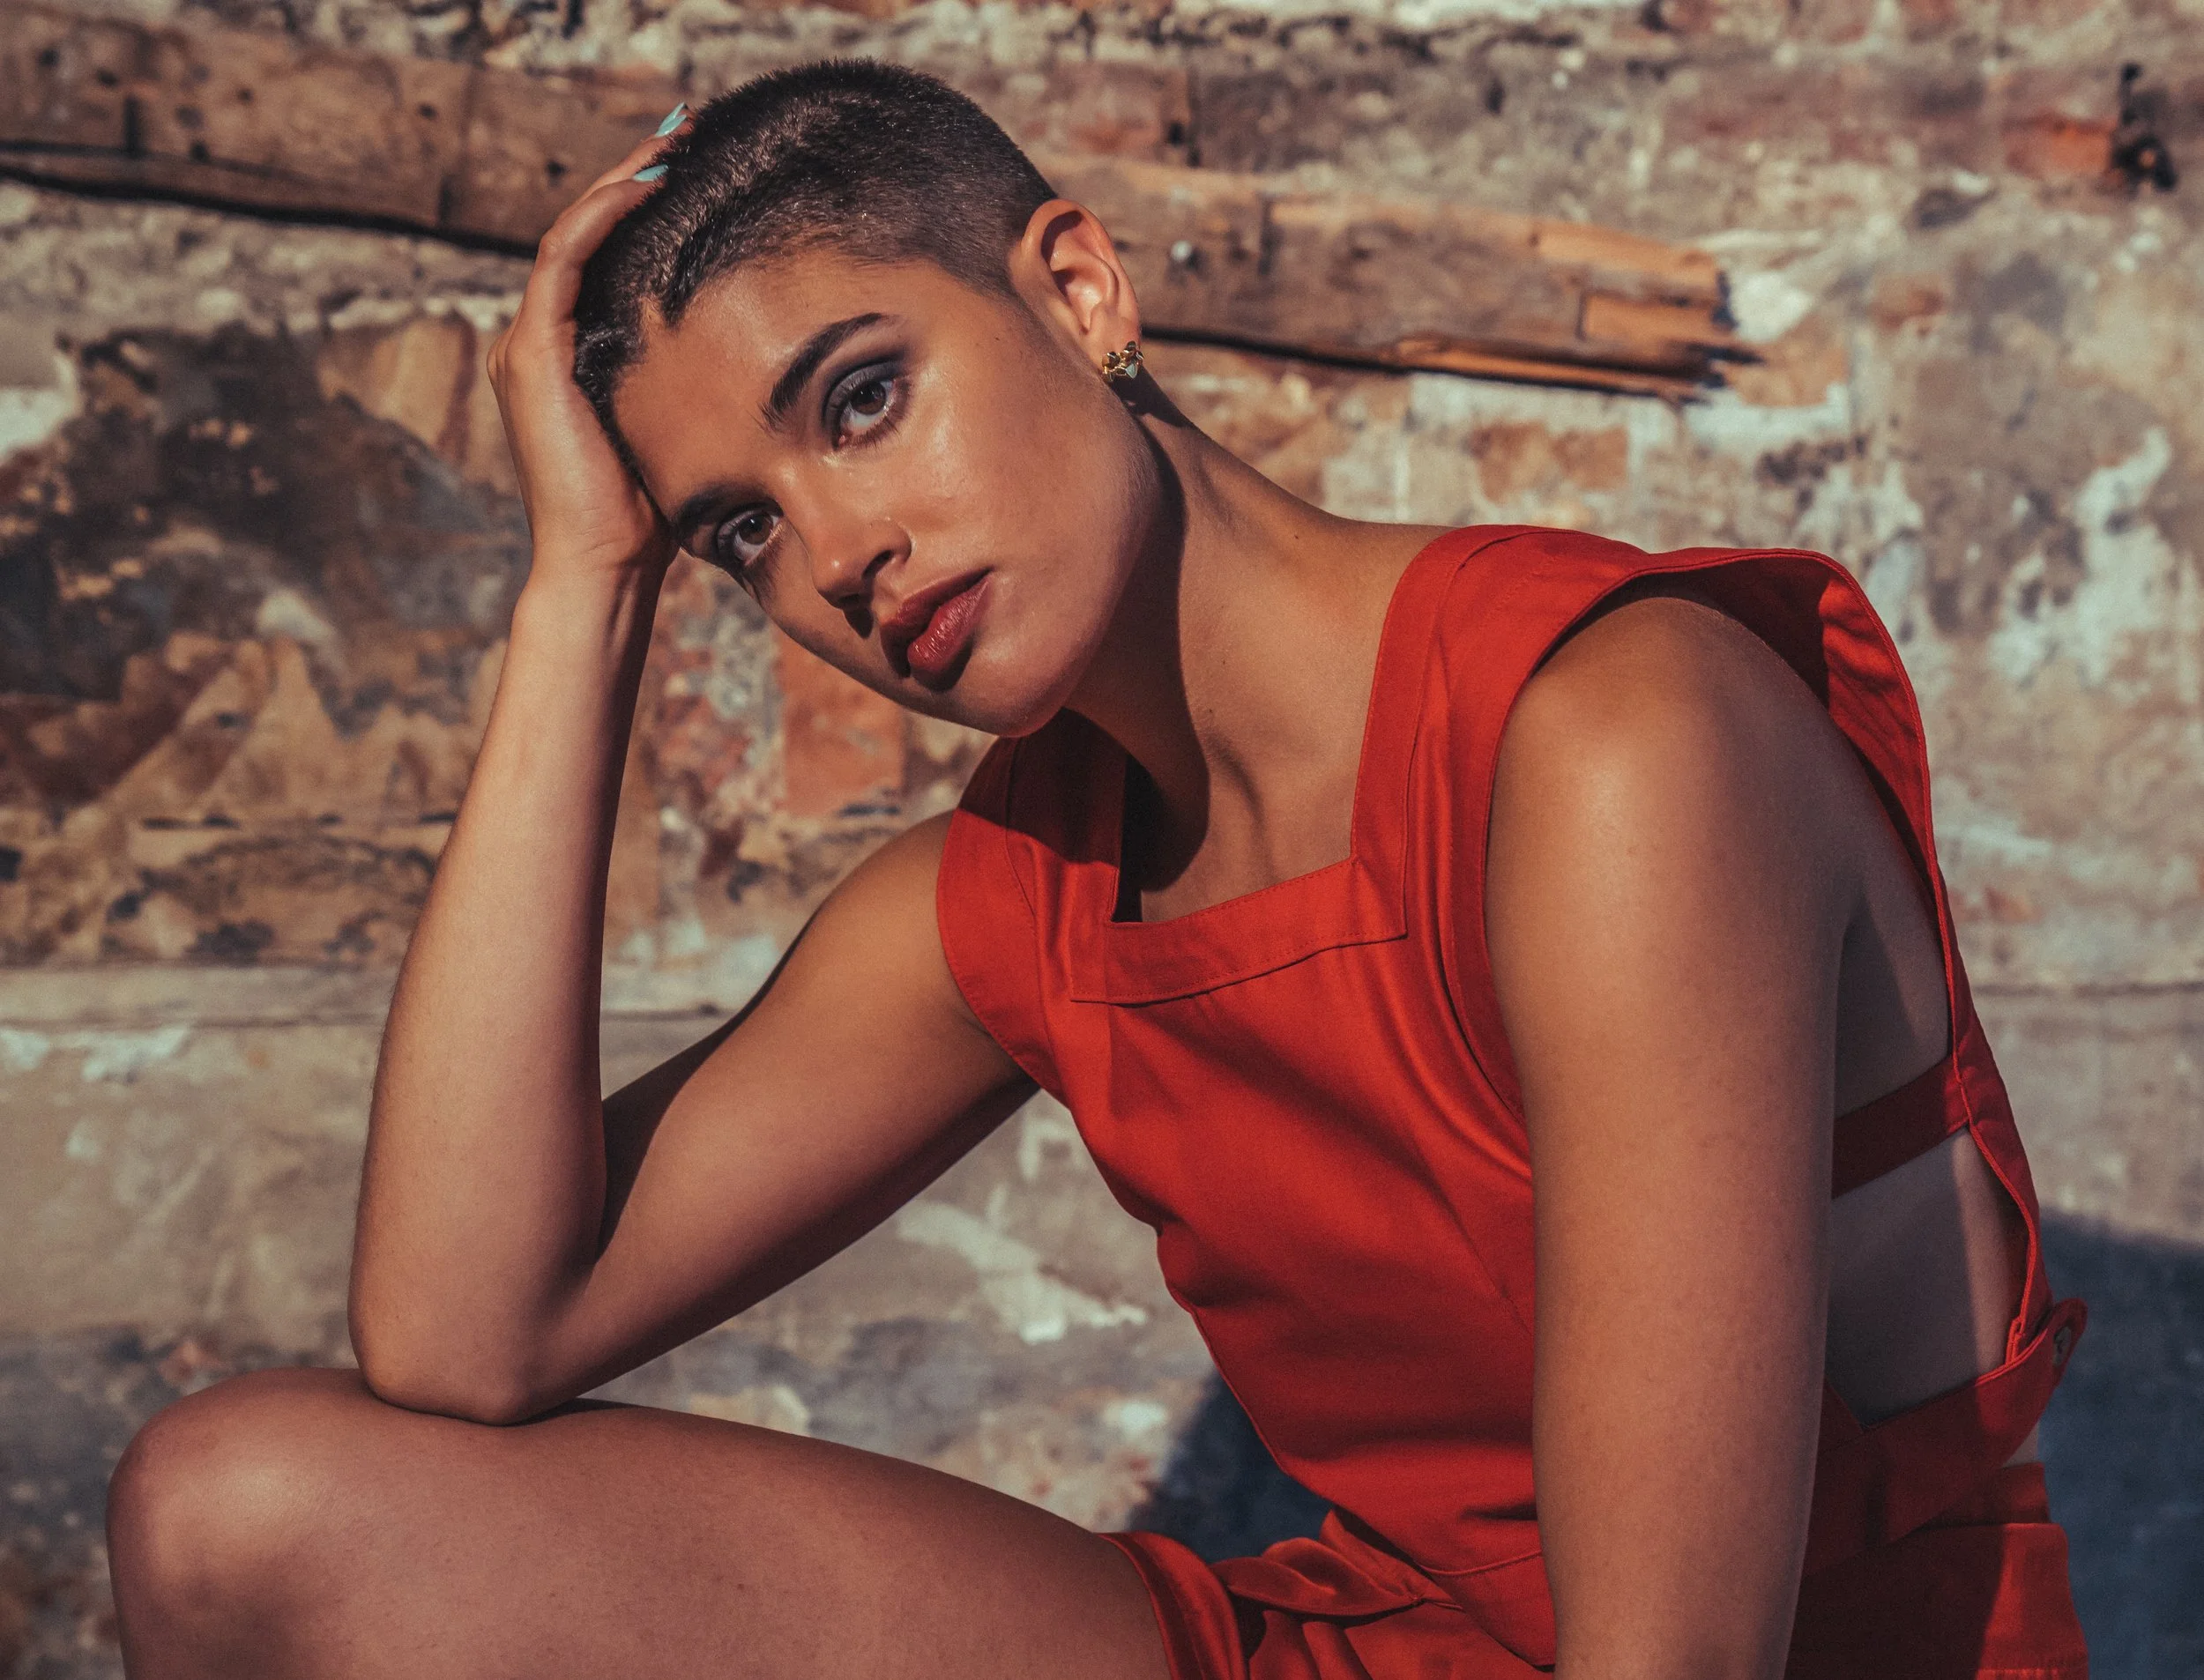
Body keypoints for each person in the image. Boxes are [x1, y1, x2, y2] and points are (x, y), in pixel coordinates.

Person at [102, 61, 2090, 1680]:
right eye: (738, 534)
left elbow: (1673, 1651)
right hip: (1369, 1649)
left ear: (1077, 291)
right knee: (236, 1507)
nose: (839, 554)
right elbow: (463, 1333)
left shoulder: (1610, 737)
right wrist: (578, 585)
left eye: (860, 399)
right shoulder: (1009, 895)